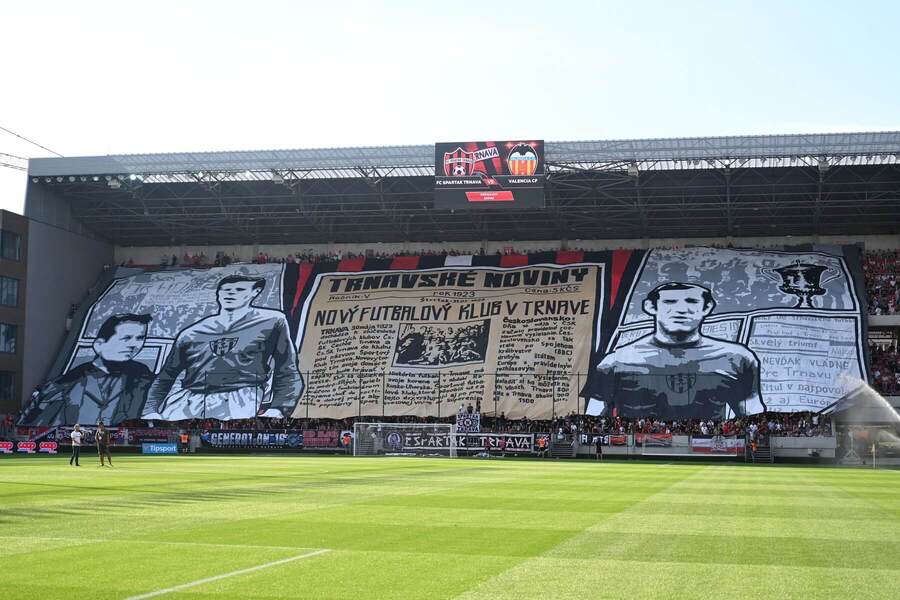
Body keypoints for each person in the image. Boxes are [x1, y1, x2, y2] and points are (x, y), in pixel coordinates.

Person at [588, 282, 764, 420]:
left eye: (692, 301)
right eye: (670, 301)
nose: (681, 309)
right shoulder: (616, 362)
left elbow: (752, 413)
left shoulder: (737, 358)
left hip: (707, 444)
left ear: (707, 307)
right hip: (635, 441)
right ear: (650, 306)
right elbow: (593, 415)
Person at [142, 275, 303, 421]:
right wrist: (150, 410)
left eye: (239, 289)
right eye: (226, 289)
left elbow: (287, 368)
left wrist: (279, 408)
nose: (230, 293)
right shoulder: (191, 332)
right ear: (218, 293)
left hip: (239, 400)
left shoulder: (273, 321)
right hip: (188, 401)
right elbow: (165, 376)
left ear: (256, 292)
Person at [19, 314, 154, 426]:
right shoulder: (64, 384)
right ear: (99, 344)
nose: (134, 344)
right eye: (126, 338)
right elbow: (36, 420)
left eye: (140, 338)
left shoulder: (142, 376)